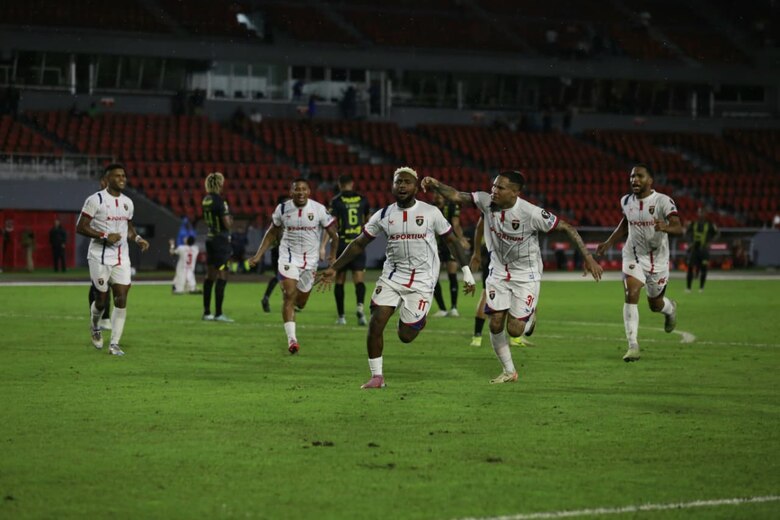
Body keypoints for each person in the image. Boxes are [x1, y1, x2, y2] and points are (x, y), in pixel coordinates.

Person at [421, 170, 602, 383]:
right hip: (498, 271)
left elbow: (566, 227)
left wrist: (588, 257)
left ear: (515, 192)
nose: (494, 191)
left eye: (500, 188)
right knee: (495, 323)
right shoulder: (486, 201)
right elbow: (455, 195)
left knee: (515, 330)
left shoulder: (531, 213)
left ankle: (530, 317)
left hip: (526, 274)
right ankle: (509, 371)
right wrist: (435, 184)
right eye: (494, 186)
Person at [316, 167, 476, 389]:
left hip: (422, 279)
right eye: (398, 182)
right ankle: (377, 376)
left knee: (406, 335)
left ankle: (415, 318)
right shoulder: (383, 215)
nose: (401, 186)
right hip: (392, 276)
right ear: (392, 186)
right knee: (376, 322)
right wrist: (335, 267)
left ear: (415, 186)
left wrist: (466, 272)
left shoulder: (431, 212)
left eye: (407, 182)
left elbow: (451, 241)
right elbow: (360, 243)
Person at [596, 163, 682, 362]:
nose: (634, 180)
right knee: (631, 293)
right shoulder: (626, 201)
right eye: (632, 176)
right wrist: (609, 243)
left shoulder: (663, 201)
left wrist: (666, 227)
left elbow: (679, 227)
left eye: (640, 176)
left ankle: (670, 309)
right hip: (633, 256)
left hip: (659, 261)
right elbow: (626, 222)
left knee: (655, 304)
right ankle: (632, 345)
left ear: (650, 180)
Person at [248, 179, 339, 354]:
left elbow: (334, 235)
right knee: (289, 295)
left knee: (301, 302)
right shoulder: (282, 209)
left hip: (310, 262)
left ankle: (295, 309)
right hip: (288, 258)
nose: (300, 192)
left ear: (309, 192)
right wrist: (259, 255)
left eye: (304, 189)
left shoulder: (319, 209)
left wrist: (332, 258)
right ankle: (292, 340)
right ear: (291, 193)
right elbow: (271, 233)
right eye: (297, 190)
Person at [77, 163, 150, 356]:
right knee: (101, 300)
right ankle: (94, 326)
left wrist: (137, 238)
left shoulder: (128, 202)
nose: (122, 179)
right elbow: (80, 227)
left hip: (121, 258)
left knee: (121, 298)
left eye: (124, 176)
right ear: (107, 179)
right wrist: (103, 236)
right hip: (99, 257)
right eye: (117, 176)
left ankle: (114, 344)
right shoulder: (95, 200)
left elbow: (128, 227)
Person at [328, 174, 371, 325]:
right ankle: (360, 308)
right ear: (352, 183)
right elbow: (368, 221)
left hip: (342, 244)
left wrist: (327, 248)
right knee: (359, 279)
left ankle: (341, 317)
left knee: (340, 280)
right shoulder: (362, 199)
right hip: (358, 243)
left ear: (340, 184)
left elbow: (332, 225)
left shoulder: (336, 201)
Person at [430, 192, 470, 318]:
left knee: (452, 274)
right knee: (433, 277)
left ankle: (453, 308)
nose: (437, 197)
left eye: (439, 196)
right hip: (435, 245)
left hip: (450, 243)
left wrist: (461, 238)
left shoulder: (452, 206)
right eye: (435, 195)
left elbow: (456, 224)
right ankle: (442, 308)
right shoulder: (430, 208)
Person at [201, 172, 234, 322]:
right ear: (219, 184)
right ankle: (219, 313)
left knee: (210, 276)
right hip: (221, 242)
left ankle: (207, 312)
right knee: (222, 274)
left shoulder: (206, 200)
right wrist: (231, 221)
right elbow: (227, 223)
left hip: (210, 239)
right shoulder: (220, 201)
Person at [261, 195, 288, 313]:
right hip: (281, 250)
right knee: (283, 276)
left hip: (276, 250)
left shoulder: (277, 216)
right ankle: (287, 302)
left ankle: (269, 298)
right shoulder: (283, 217)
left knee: (280, 276)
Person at [685, 207, 720, 293]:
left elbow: (717, 234)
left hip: (704, 250)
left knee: (704, 268)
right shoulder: (693, 223)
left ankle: (701, 288)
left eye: (703, 213)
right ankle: (688, 288)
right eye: (700, 212)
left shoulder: (710, 224)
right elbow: (687, 233)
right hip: (694, 249)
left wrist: (710, 243)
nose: (701, 214)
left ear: (705, 214)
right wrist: (689, 243)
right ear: (698, 213)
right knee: (690, 267)